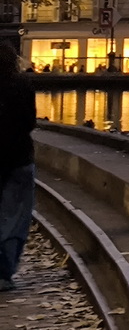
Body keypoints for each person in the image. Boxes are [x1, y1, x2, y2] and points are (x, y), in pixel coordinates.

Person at [0, 43, 36, 292]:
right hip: (18, 157)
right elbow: (29, 122)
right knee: (14, 216)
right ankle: (4, 271)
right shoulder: (22, 85)